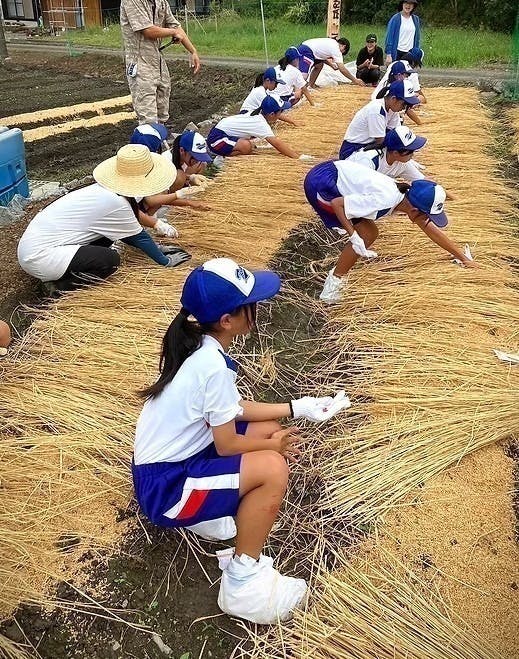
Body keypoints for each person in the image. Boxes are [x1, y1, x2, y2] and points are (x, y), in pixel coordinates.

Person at [133, 257, 351, 622]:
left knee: (266, 430)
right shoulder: (211, 366)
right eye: (250, 304)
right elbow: (227, 445)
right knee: (272, 468)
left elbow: (231, 410)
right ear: (227, 321)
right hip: (167, 491)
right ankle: (243, 583)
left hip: (172, 467)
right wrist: (273, 447)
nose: (258, 308)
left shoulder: (198, 347)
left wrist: (298, 407)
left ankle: (211, 516)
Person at [17, 145, 191, 293]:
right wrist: (165, 261)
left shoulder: (105, 191)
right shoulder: (116, 202)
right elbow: (139, 237)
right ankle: (60, 286)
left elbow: (128, 231)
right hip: (40, 256)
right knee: (109, 261)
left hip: (37, 246)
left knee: (107, 238)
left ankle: (64, 272)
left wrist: (157, 248)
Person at [303, 160, 477, 303]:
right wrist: (353, 236)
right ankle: (333, 284)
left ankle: (338, 273)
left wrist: (462, 257)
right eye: (428, 216)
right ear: (415, 210)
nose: (428, 221)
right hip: (321, 184)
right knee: (367, 234)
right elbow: (337, 204)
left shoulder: (405, 197)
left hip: (333, 174)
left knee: (368, 232)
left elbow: (431, 230)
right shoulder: (384, 200)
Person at [120, 0, 201, 125]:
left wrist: (192, 51)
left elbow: (175, 26)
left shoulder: (161, 2)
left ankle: (160, 134)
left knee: (162, 108)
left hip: (157, 59)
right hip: (140, 60)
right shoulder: (131, 1)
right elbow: (149, 31)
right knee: (147, 114)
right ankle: (149, 136)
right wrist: (173, 33)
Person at [130, 125, 212, 219]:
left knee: (197, 167)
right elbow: (151, 200)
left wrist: (191, 177)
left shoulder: (146, 164)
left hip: (145, 201)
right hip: (140, 209)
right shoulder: (162, 165)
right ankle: (150, 216)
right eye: (195, 157)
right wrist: (186, 199)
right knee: (180, 176)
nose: (197, 161)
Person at [207, 96, 312, 160]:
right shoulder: (260, 123)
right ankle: (223, 157)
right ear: (272, 114)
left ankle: (227, 151)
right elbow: (277, 143)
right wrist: (297, 157)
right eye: (281, 111)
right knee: (246, 147)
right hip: (216, 139)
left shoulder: (257, 114)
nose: (281, 114)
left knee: (250, 145)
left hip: (220, 132)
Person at [339, 79, 419, 159]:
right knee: (391, 154)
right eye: (404, 104)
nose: (404, 108)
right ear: (393, 99)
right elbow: (380, 141)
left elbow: (396, 133)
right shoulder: (376, 110)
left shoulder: (392, 109)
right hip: (352, 150)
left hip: (369, 145)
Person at [347, 125, 427, 183]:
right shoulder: (368, 160)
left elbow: (422, 181)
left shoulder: (402, 163)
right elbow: (359, 186)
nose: (413, 154)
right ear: (395, 153)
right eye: (410, 151)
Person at [297, 37, 364, 89]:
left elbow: (321, 55)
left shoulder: (332, 42)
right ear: (343, 46)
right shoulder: (336, 49)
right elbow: (342, 69)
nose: (340, 54)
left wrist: (331, 65)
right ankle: (297, 91)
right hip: (306, 51)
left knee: (319, 65)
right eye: (342, 52)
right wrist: (355, 80)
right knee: (304, 75)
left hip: (307, 47)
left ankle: (310, 85)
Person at [384, 0, 421, 65]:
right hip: (397, 53)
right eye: (406, 3)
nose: (408, 5)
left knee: (408, 71)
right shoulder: (395, 18)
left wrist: (416, 54)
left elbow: (417, 38)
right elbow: (389, 37)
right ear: (402, 4)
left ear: (413, 6)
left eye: (411, 3)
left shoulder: (416, 19)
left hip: (409, 53)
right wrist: (388, 54)